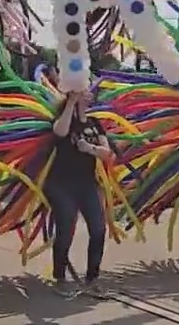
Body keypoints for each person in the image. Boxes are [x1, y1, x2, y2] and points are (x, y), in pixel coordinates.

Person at [47, 90, 112, 298]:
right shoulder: (63, 119)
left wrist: (90, 148)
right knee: (66, 228)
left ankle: (93, 278)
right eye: (84, 91)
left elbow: (106, 152)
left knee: (99, 229)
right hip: (60, 184)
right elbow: (60, 131)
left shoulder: (94, 122)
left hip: (87, 184)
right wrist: (70, 103)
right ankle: (60, 277)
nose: (89, 94)